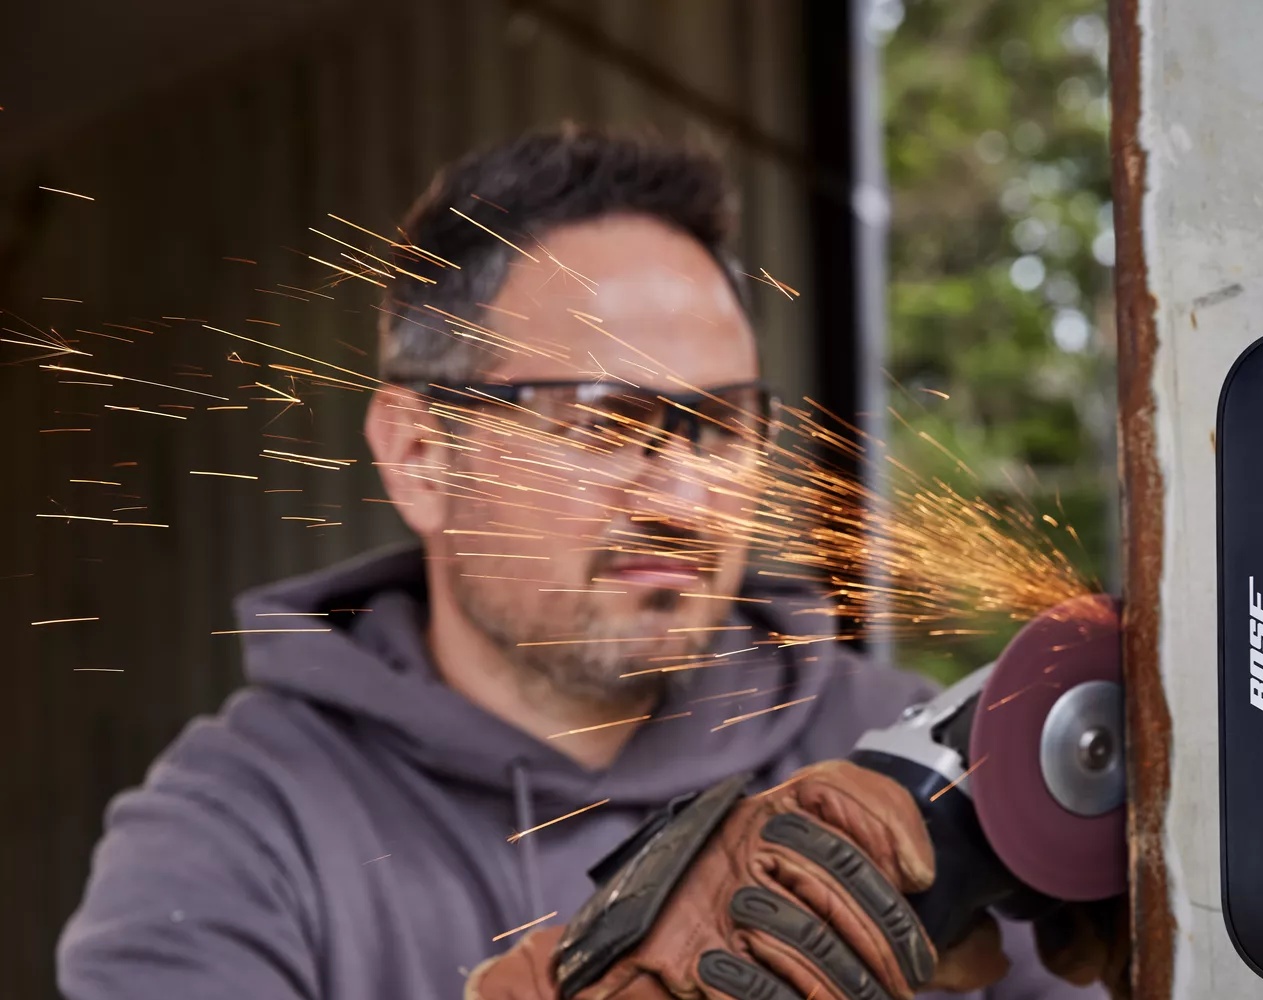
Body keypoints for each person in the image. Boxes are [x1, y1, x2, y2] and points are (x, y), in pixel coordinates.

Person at [56, 128, 1118, 1000]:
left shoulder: (884, 762)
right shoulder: (232, 836)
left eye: (719, 425)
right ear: (423, 454)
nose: (686, 496)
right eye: (607, 421)